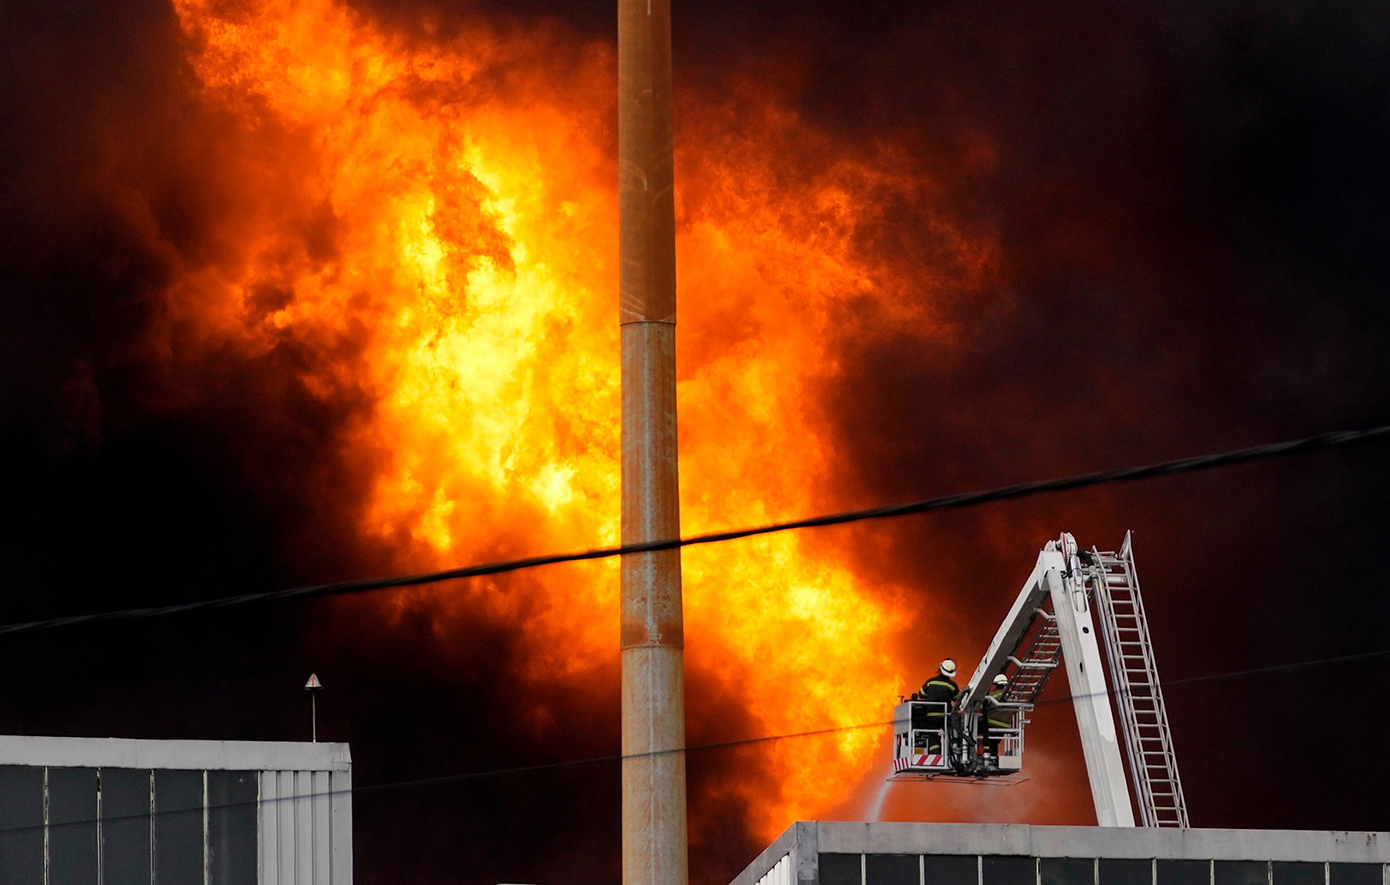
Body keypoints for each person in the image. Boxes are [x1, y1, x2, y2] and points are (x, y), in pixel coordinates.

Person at [918, 658, 959, 753]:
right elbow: (957, 699)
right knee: (950, 735)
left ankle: (934, 753)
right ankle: (950, 753)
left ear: (940, 669)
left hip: (931, 716)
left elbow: (921, 694)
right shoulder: (952, 685)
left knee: (933, 736)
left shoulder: (930, 682)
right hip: (946, 716)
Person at [980, 673, 1012, 765]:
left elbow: (980, 707)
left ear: (995, 684)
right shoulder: (1013, 696)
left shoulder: (991, 697)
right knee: (994, 742)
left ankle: (975, 751)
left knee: (972, 728)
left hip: (990, 724)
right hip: (1005, 726)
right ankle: (993, 755)